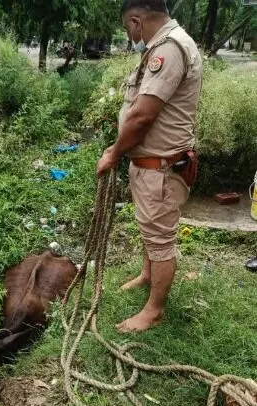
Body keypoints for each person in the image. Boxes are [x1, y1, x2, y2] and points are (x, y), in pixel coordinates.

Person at [97, 0, 202, 333]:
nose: (130, 35)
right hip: (152, 165)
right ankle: (147, 275)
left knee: (159, 240)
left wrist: (114, 153)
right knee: (150, 229)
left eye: (128, 28)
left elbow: (143, 115)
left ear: (136, 21)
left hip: (161, 169)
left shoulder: (168, 50)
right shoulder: (168, 44)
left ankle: (154, 310)